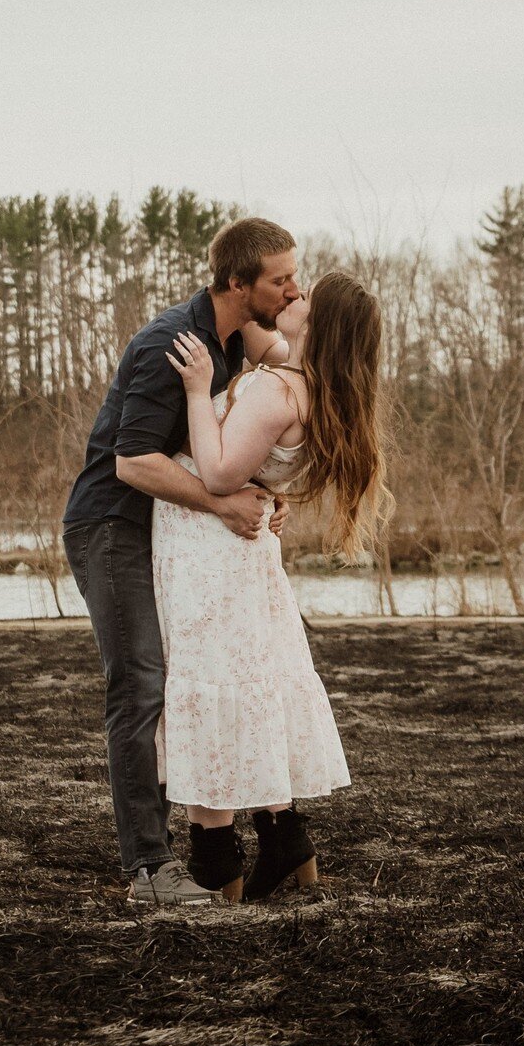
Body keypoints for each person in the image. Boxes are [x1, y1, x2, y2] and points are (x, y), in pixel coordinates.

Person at [62, 217, 302, 904]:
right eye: (280, 278)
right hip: (112, 527)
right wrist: (222, 505)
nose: (292, 288)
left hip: (171, 533)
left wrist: (261, 492)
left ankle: (219, 852)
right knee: (140, 686)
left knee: (193, 679)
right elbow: (133, 462)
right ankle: (147, 870)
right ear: (237, 282)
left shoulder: (232, 343)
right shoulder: (172, 343)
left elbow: (218, 445)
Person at [159, 269, 388, 902]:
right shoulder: (318, 392)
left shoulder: (274, 389)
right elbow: (265, 464)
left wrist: (201, 387)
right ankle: (287, 842)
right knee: (248, 685)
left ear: (318, 324)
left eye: (303, 296)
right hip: (245, 554)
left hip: (208, 547)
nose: (292, 297)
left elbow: (218, 470)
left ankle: (216, 862)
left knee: (215, 688)